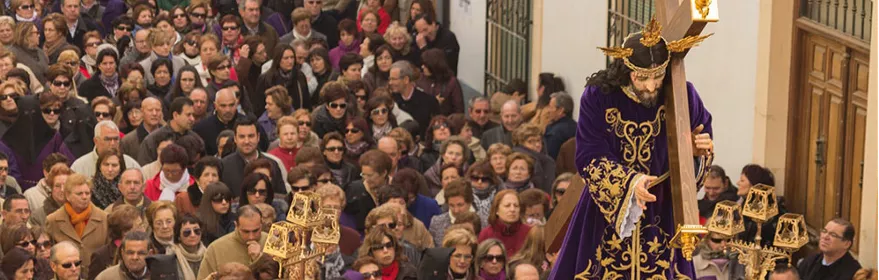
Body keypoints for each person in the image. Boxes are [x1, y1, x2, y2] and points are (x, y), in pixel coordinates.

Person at [550, 20, 714, 279]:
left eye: (658, 76)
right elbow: (589, 155)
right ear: (626, 69)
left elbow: (701, 139)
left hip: (661, 207)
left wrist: (695, 152)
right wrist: (629, 183)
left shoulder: (682, 94)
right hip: (607, 210)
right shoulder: (598, 96)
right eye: (642, 78)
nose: (651, 86)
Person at [45, 173, 109, 276]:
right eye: (79, 194)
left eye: (87, 193)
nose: (84, 197)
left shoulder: (104, 218)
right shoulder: (53, 220)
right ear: (68, 196)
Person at [197, 205, 266, 279]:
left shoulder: (273, 243)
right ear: (236, 225)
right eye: (246, 231)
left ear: (261, 224)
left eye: (256, 230)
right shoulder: (216, 248)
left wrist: (259, 259)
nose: (251, 236)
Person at [193, 88, 269, 156]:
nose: (228, 110)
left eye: (231, 105)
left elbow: (263, 148)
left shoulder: (250, 125)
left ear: (237, 104)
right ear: (215, 106)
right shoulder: (201, 128)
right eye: (223, 106)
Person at [221, 118, 286, 197]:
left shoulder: (272, 164)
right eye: (242, 137)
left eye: (251, 136)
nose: (247, 141)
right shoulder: (224, 166)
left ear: (258, 137)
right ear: (235, 138)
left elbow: (281, 197)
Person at [87, 204, 146, 279]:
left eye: (142, 225)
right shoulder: (101, 256)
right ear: (125, 232)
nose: (143, 230)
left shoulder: (149, 249)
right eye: (139, 227)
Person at [137, 97, 198, 164]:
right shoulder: (153, 139)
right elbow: (145, 169)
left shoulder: (196, 139)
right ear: (175, 115)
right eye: (188, 115)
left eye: (193, 115)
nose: (192, 119)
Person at [344, 150, 393, 232]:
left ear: (384, 173)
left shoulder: (396, 189)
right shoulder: (354, 190)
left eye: (370, 175)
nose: (366, 179)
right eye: (363, 174)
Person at [797, 218, 861, 280]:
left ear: (846, 244)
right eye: (824, 231)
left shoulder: (854, 274)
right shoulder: (810, 262)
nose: (825, 237)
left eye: (833, 235)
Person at [390, 60, 438, 138]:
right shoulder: (391, 100)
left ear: (406, 80)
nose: (390, 82)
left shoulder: (429, 101)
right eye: (390, 79)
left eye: (394, 79)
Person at [477, 189, 529, 256]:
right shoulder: (486, 234)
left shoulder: (529, 232)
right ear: (497, 210)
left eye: (516, 206)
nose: (512, 209)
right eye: (507, 206)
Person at [169, 214, 205, 280]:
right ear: (179, 236)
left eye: (197, 231)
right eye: (187, 232)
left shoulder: (208, 253)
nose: (193, 235)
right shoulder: (171, 257)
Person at [542, 92, 576, 159]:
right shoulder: (579, 128)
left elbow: (548, 158)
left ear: (560, 110)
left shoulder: (554, 133)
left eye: (550, 107)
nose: (548, 110)